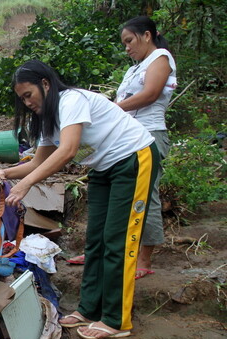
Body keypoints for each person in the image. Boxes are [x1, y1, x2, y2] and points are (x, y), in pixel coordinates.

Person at [0, 60, 159, 339]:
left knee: (119, 240)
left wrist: (25, 186)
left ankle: (118, 321)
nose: (27, 102)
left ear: (45, 84)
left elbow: (67, 151)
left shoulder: (71, 100)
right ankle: (89, 308)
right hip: (104, 168)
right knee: (96, 240)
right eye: (22, 99)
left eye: (28, 94)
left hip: (133, 159)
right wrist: (5, 173)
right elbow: (37, 162)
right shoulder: (48, 120)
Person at [66, 16, 177, 280]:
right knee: (109, 198)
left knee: (145, 196)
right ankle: (99, 252)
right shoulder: (133, 70)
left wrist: (111, 109)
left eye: (130, 41)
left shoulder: (160, 58)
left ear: (147, 35)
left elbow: (150, 94)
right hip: (121, 139)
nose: (127, 47)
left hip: (148, 135)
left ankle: (144, 259)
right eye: (124, 43)